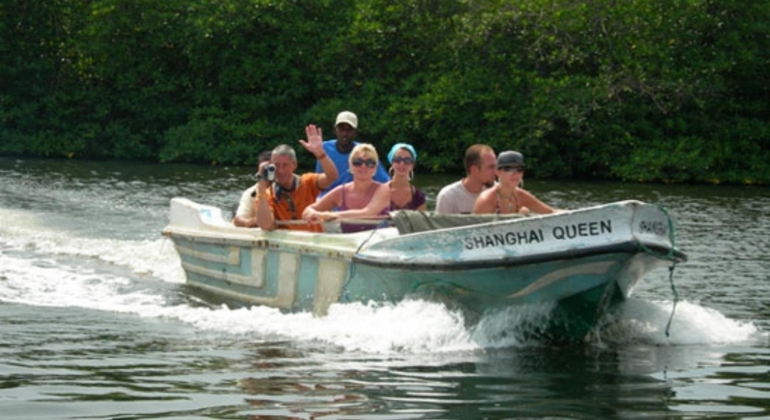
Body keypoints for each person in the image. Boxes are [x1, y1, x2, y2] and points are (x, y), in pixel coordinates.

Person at [255, 124, 338, 232]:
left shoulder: (307, 181)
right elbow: (266, 226)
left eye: (285, 165)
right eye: (276, 165)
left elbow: (332, 177)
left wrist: (320, 154)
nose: (280, 170)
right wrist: (261, 187)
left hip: (314, 239)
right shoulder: (267, 194)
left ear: (294, 165)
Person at [303, 143, 390, 233]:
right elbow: (308, 210)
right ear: (350, 165)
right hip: (350, 245)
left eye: (370, 163)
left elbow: (367, 213)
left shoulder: (384, 190)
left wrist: (327, 215)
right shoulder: (341, 192)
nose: (363, 166)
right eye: (358, 162)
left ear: (375, 168)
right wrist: (311, 214)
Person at [315, 111, 389, 196]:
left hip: (353, 199)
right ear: (334, 130)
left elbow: (384, 181)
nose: (344, 134)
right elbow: (318, 181)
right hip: (326, 199)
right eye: (341, 129)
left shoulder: (363, 152)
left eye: (349, 130)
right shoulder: (324, 148)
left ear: (355, 132)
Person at [473, 151, 557, 215]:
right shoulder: (487, 200)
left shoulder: (522, 196)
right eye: (509, 169)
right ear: (497, 172)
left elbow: (551, 212)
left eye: (519, 169)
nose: (515, 173)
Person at [435, 144, 497, 214]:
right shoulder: (448, 197)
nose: (496, 172)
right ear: (474, 169)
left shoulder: (500, 192)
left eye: (496, 166)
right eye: (491, 167)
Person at [233, 150, 273, 227]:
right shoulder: (250, 193)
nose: (267, 172)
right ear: (258, 170)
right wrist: (249, 222)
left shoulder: (288, 187)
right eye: (264, 169)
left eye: (271, 169)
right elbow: (239, 218)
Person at [387, 143, 426, 211]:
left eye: (407, 160)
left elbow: (421, 220)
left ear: (412, 165)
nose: (402, 164)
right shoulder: (379, 191)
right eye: (398, 159)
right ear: (392, 163)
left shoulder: (418, 196)